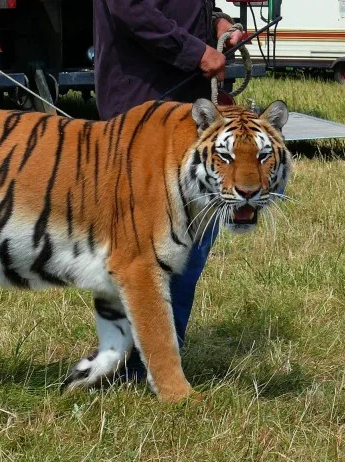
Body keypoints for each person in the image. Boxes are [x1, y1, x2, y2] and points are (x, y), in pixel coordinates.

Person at [91, 0, 243, 380]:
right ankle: (144, 364)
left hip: (179, 106)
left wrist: (217, 24)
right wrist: (197, 51)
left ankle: (146, 359)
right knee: (152, 249)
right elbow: (130, 10)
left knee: (185, 242)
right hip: (143, 105)